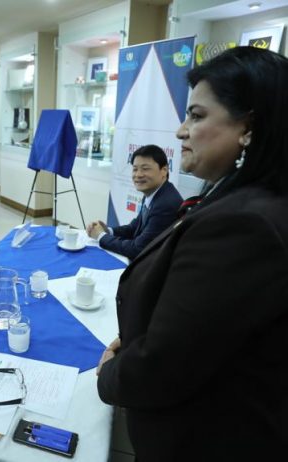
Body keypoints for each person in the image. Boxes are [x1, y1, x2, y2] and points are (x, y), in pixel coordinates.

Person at [96, 46, 288, 461]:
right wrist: (138, 332)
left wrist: (109, 373)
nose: (181, 131)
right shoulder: (232, 198)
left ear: (248, 127)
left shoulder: (244, 224)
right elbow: (205, 325)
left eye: (197, 116)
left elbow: (163, 366)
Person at [86, 144, 182, 259]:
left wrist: (101, 236)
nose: (138, 175)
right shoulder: (153, 193)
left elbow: (137, 249)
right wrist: (108, 231)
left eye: (145, 169)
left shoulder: (166, 204)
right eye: (135, 169)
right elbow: (134, 228)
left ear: (164, 170)